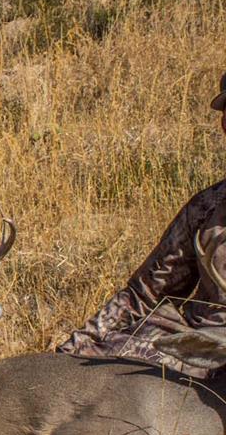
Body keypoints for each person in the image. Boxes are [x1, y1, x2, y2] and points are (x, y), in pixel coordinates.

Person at [58, 73, 226, 379]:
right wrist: (74, 349)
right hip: (207, 344)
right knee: (107, 362)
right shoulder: (207, 207)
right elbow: (146, 292)